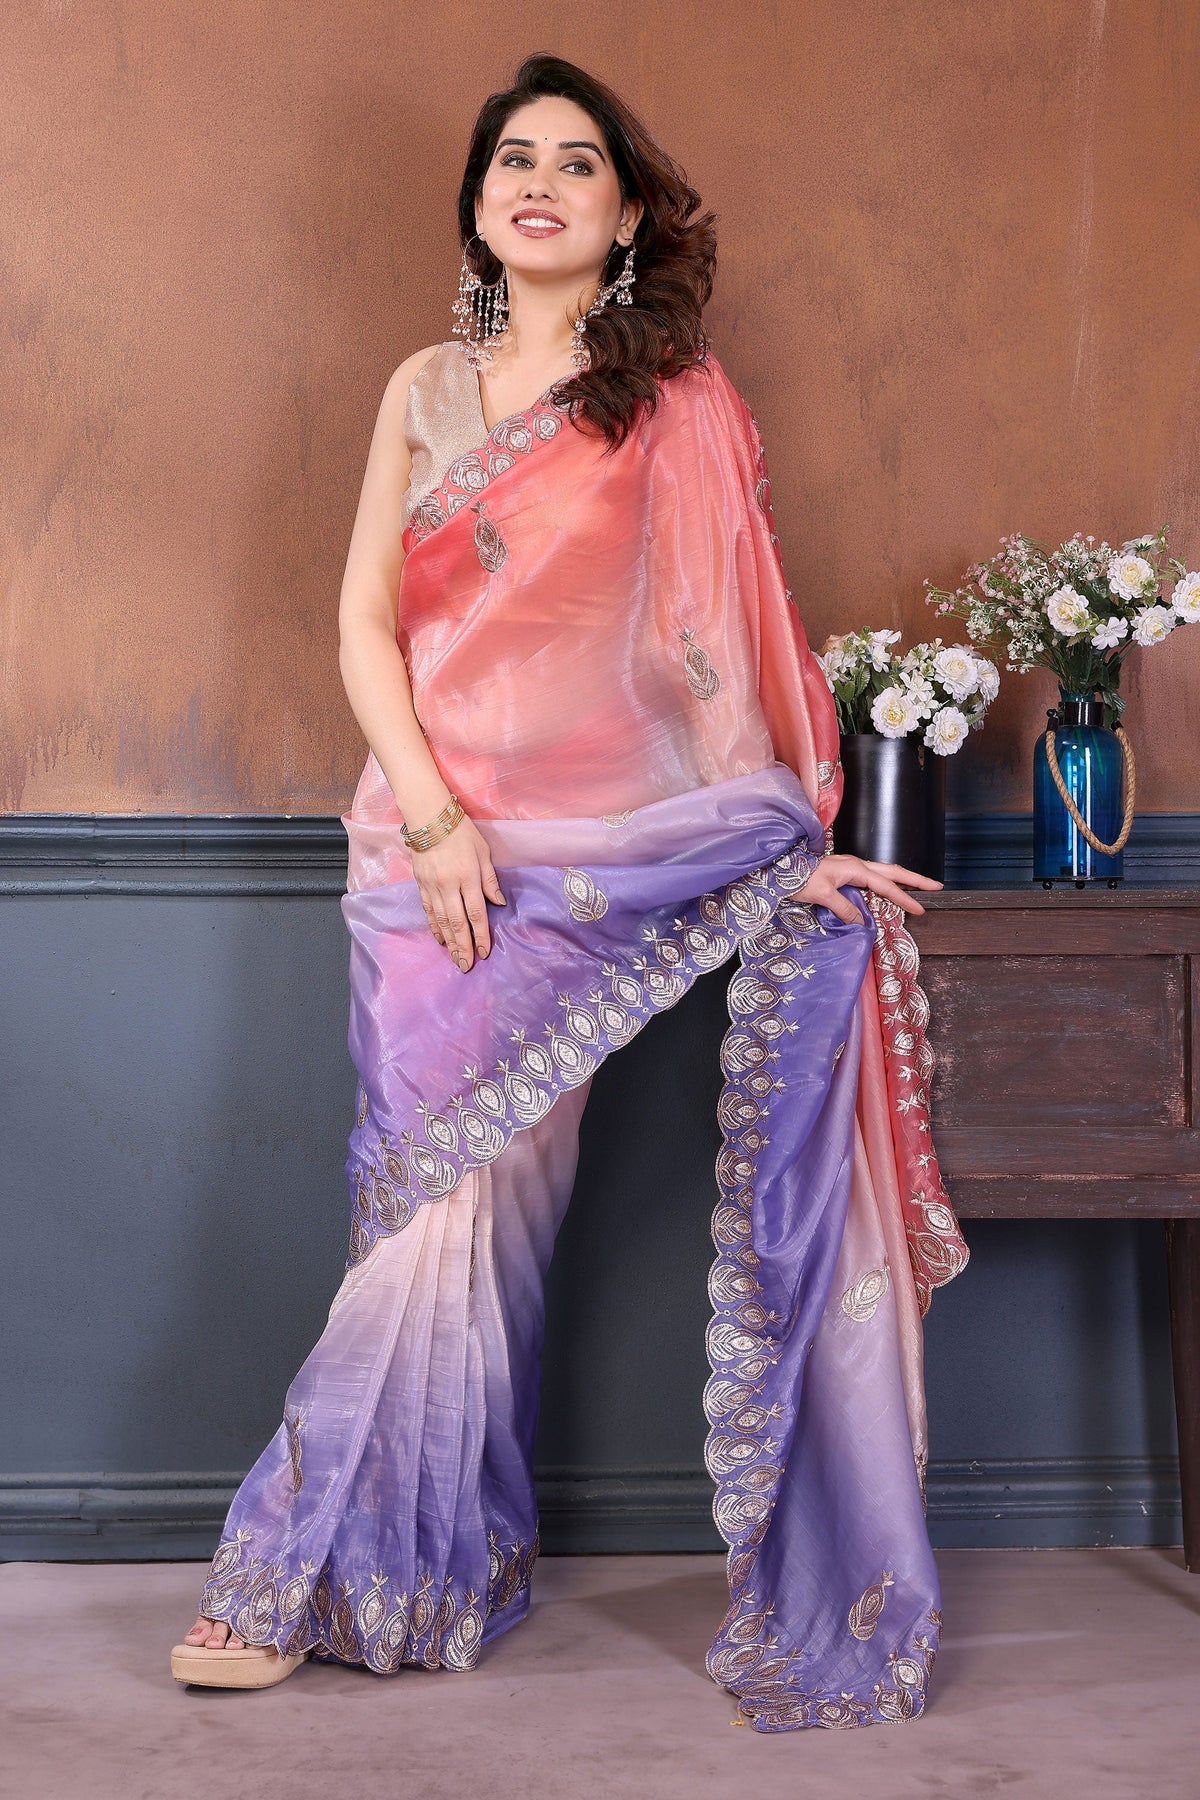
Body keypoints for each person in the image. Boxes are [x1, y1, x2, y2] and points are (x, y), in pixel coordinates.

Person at [169, 53, 968, 1731]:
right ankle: (398, 1566)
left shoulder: (669, 402)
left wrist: (781, 840)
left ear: (625, 214)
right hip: (421, 857)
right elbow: (362, 622)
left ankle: (325, 1570)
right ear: (478, 205)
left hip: (591, 869)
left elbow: (707, 653)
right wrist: (437, 819)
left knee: (491, 1221)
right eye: (512, 159)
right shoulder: (422, 387)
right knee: (418, 1208)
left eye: (576, 161)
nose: (538, 181)